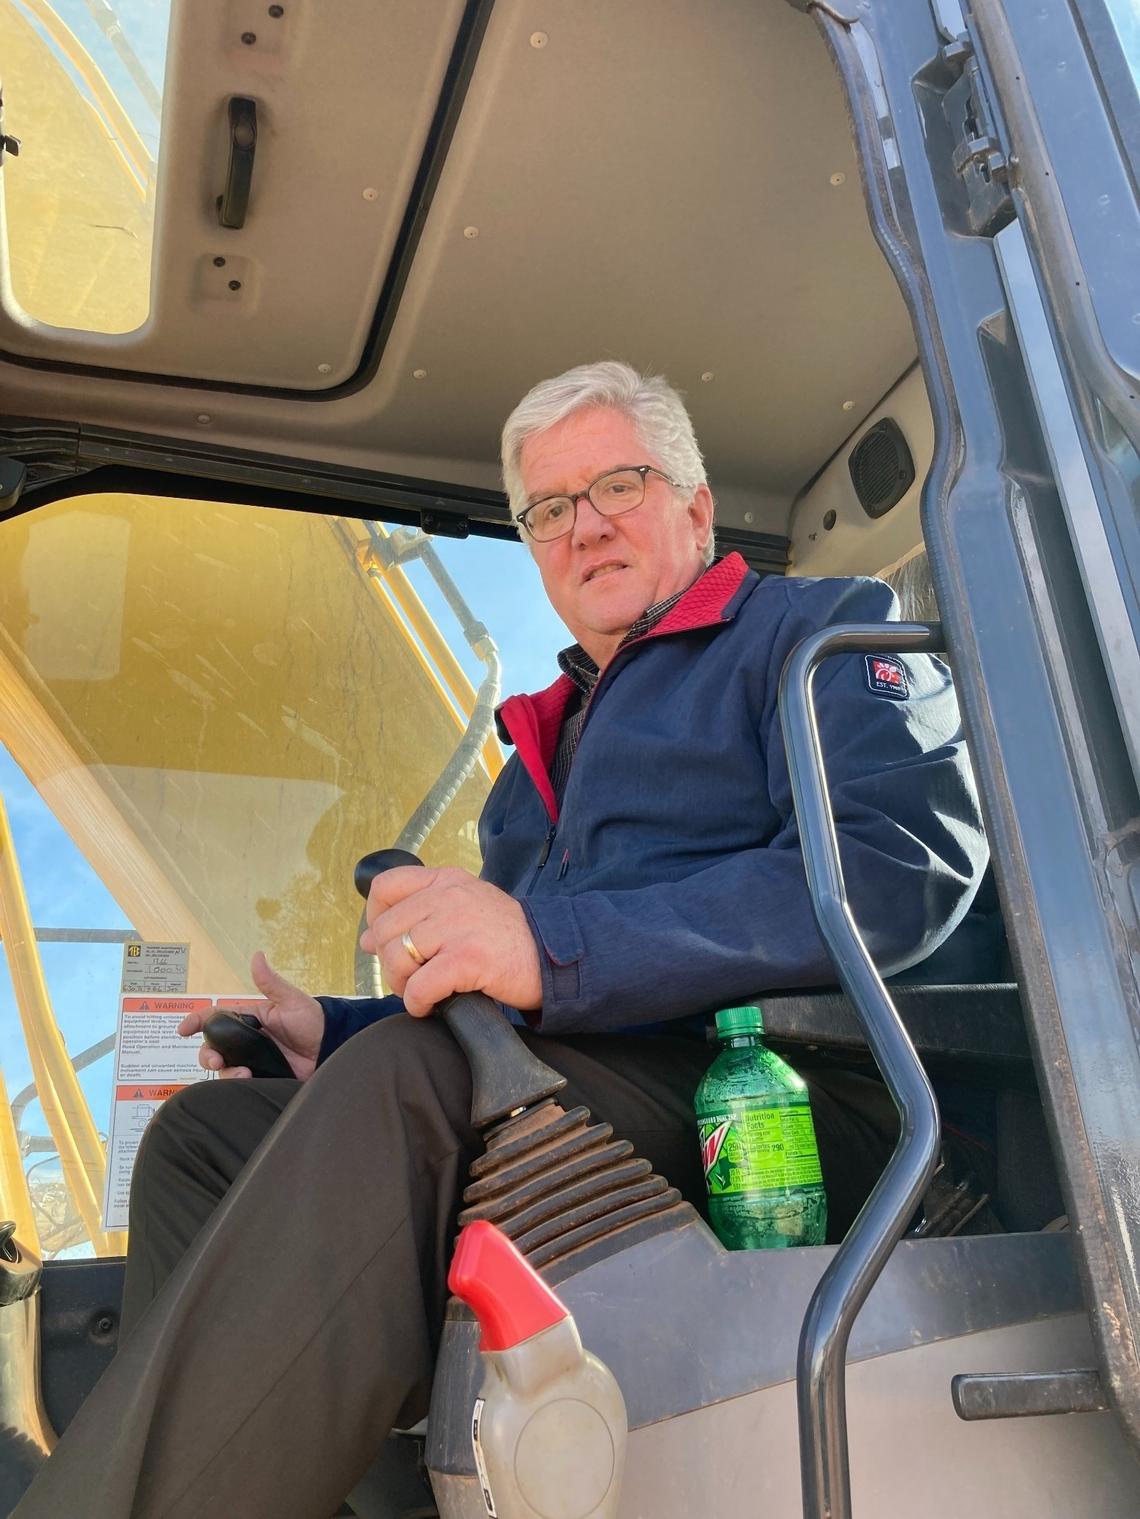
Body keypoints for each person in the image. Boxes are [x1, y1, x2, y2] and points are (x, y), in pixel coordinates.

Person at [12, 362, 988, 1518]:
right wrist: (332, 1028)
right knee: (202, 1135)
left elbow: (896, 866)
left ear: (695, 507)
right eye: (550, 509)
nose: (586, 527)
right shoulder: (534, 765)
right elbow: (509, 985)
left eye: (617, 485)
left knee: (409, 1083)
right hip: (586, 1084)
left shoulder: (815, 633)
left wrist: (547, 947)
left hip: (787, 1095)